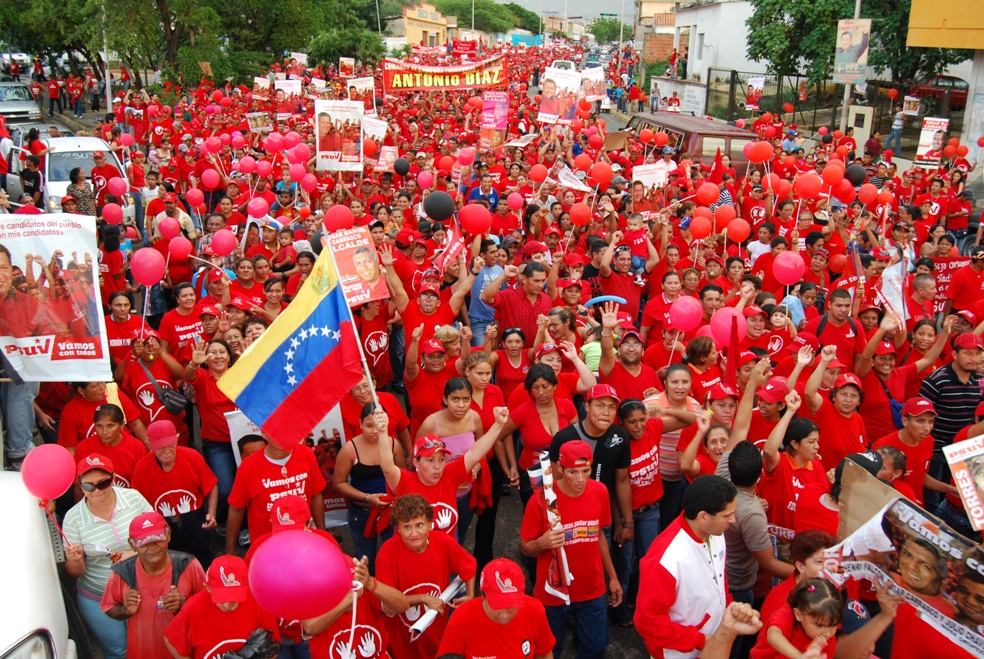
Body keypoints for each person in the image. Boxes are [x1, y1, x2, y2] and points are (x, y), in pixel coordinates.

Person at [520, 440, 622, 659]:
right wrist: (542, 543)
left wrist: (612, 577)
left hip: (591, 589)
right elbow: (525, 548)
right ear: (560, 469)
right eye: (573, 472)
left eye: (586, 471)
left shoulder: (600, 491)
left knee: (596, 648)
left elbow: (599, 536)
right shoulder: (541, 500)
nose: (580, 479)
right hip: (552, 593)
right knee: (549, 650)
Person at [635, 475, 737, 657]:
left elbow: (720, 579)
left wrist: (730, 610)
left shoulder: (716, 532)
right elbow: (647, 621)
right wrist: (702, 641)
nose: (733, 520)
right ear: (703, 517)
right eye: (727, 515)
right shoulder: (666, 560)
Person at [63, 454, 154, 659]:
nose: (96, 491)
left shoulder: (133, 499)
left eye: (103, 483)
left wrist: (134, 552)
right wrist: (75, 560)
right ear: (80, 485)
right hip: (98, 596)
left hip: (142, 588)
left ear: (113, 479)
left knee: (150, 645)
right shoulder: (73, 518)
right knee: (117, 651)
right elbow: (76, 573)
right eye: (88, 486)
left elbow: (159, 536)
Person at [378, 404, 508, 540]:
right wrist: (382, 433)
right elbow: (387, 467)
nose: (437, 466)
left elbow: (475, 453)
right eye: (430, 460)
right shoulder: (405, 481)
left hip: (447, 553)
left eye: (441, 459)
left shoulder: (449, 474)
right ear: (416, 463)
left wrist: (498, 424)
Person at [376, 494, 477, 659]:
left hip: (436, 636)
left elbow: (469, 566)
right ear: (398, 529)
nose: (414, 533)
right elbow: (388, 604)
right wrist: (423, 598)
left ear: (430, 523)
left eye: (419, 525)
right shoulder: (387, 554)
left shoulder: (444, 542)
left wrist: (471, 595)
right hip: (401, 643)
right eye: (407, 527)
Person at [99, 512, 207, 659]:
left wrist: (183, 605)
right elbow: (109, 607)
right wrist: (126, 610)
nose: (152, 547)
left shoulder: (189, 565)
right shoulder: (122, 572)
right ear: (132, 544)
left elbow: (209, 606)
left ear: (168, 535)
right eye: (144, 542)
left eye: (157, 539)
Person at [224, 429, 327, 555]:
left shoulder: (307, 454)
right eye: (277, 433)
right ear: (264, 434)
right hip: (266, 548)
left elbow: (316, 495)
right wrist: (229, 553)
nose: (283, 438)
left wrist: (323, 536)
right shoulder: (248, 467)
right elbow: (236, 509)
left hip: (304, 543)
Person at [332, 401, 408, 573]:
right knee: (365, 561)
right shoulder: (349, 449)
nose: (374, 431)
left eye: (379, 425)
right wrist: (366, 497)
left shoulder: (393, 444)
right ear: (360, 424)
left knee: (397, 557)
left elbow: (404, 478)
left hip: (391, 511)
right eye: (368, 425)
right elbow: (339, 484)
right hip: (362, 513)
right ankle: (366, 597)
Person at [131, 420, 218, 569]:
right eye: (160, 447)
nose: (166, 451)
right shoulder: (141, 468)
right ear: (149, 444)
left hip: (194, 519)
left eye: (170, 445)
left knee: (205, 564)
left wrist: (211, 513)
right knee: (170, 569)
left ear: (177, 438)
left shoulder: (192, 457)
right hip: (161, 524)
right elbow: (136, 503)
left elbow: (211, 486)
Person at [437, 557, 556, 659]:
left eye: (512, 606)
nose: (505, 615)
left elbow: (544, 654)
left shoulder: (535, 610)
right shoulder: (461, 619)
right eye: (497, 606)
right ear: (482, 595)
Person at [163, 555, 280, 659]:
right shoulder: (194, 608)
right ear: (208, 588)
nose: (228, 605)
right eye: (222, 599)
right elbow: (171, 640)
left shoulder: (257, 600)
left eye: (235, 598)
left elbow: (273, 644)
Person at [919, 332, 984, 510]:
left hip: (964, 452)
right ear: (955, 354)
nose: (974, 358)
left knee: (956, 500)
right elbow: (921, 415)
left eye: (977, 353)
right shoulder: (936, 379)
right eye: (968, 353)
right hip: (936, 451)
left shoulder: (981, 381)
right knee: (933, 502)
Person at [750, 578, 844, 659]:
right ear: (798, 615)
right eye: (819, 625)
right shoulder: (786, 615)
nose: (828, 633)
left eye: (833, 625)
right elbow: (773, 635)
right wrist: (800, 657)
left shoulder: (828, 640)